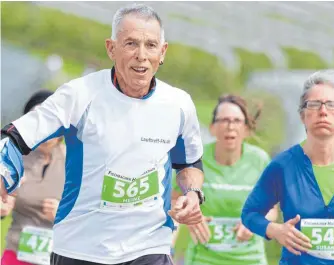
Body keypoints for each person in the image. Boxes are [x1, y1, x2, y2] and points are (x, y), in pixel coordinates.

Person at [0, 4, 205, 265]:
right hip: (80, 248)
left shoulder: (179, 104)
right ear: (111, 48)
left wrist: (193, 193)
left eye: (151, 45)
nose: (141, 55)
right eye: (131, 44)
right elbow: (16, 136)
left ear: (162, 52)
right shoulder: (78, 95)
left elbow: (189, 163)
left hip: (149, 246)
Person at [242, 69, 334, 265]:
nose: (323, 111)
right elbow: (250, 214)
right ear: (302, 116)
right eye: (314, 105)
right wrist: (275, 230)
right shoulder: (283, 166)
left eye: (331, 105)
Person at [172, 94, 278, 265]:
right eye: (224, 120)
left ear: (246, 129)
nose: (230, 126)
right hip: (202, 259)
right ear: (212, 127)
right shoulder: (196, 160)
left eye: (237, 121)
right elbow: (175, 202)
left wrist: (256, 221)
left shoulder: (260, 160)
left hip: (250, 259)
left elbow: (272, 208)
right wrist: (186, 217)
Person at [1, 90, 66, 265]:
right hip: (17, 255)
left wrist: (64, 214)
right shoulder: (12, 159)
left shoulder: (77, 161)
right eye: (38, 121)